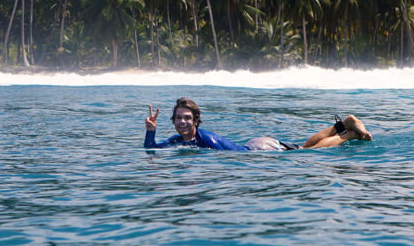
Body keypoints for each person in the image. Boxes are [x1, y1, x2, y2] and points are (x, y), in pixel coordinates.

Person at [144, 98, 372, 151]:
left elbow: (233, 159)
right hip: (254, 145)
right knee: (302, 149)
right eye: (178, 118)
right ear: (173, 121)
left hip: (259, 151)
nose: (182, 122)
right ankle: (343, 124)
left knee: (306, 153)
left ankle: (348, 134)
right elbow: (152, 150)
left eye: (187, 118)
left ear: (196, 120)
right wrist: (150, 133)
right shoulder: (178, 140)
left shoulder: (204, 138)